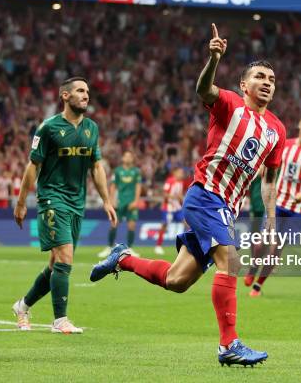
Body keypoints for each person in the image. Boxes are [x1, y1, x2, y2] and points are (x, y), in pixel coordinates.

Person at [90, 24, 286, 366]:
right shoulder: (229, 104)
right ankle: (229, 345)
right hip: (206, 195)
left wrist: (270, 216)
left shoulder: (277, 130)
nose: (267, 82)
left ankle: (123, 258)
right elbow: (203, 89)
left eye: (271, 78)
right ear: (244, 85)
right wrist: (213, 59)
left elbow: (269, 178)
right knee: (231, 260)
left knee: (176, 281)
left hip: (228, 207)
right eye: (259, 76)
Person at [12, 77, 117, 334]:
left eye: (88, 92)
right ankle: (60, 320)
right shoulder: (48, 128)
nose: (86, 95)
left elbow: (95, 166)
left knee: (55, 264)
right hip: (51, 199)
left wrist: (105, 200)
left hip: (76, 203)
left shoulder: (91, 128)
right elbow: (32, 166)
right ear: (65, 96)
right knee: (65, 258)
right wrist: (21, 201)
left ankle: (22, 306)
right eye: (80, 91)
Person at [247, 110, 301, 296]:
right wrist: (258, 173)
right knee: (262, 242)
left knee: (277, 248)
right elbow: (268, 164)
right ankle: (253, 267)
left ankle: (258, 286)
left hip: (297, 210)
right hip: (277, 201)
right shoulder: (285, 145)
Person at [98, 150, 142, 258]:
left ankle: (129, 249)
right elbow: (113, 186)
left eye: (129, 156)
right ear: (122, 158)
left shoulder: (136, 171)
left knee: (132, 225)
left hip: (131, 202)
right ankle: (109, 247)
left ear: (132, 159)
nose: (127, 158)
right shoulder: (117, 171)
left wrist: (136, 201)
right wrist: (111, 200)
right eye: (125, 156)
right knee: (114, 224)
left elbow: (138, 186)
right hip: (120, 202)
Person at [154, 167, 186, 255]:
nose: (182, 174)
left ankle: (188, 245)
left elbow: (179, 195)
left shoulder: (181, 182)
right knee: (164, 225)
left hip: (177, 208)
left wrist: (182, 199)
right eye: (180, 172)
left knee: (187, 222)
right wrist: (174, 197)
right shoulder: (170, 181)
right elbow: (165, 194)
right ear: (175, 173)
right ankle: (158, 246)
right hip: (168, 208)